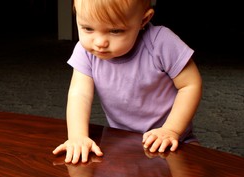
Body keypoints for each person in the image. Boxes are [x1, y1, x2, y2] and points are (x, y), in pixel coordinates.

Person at [52, 0, 202, 164]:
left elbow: (190, 85)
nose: (99, 42)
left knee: (190, 172)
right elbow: (79, 94)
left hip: (174, 139)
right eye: (88, 28)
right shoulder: (86, 52)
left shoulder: (160, 42)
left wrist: (171, 129)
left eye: (115, 31)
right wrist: (77, 136)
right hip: (121, 140)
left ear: (143, 21)